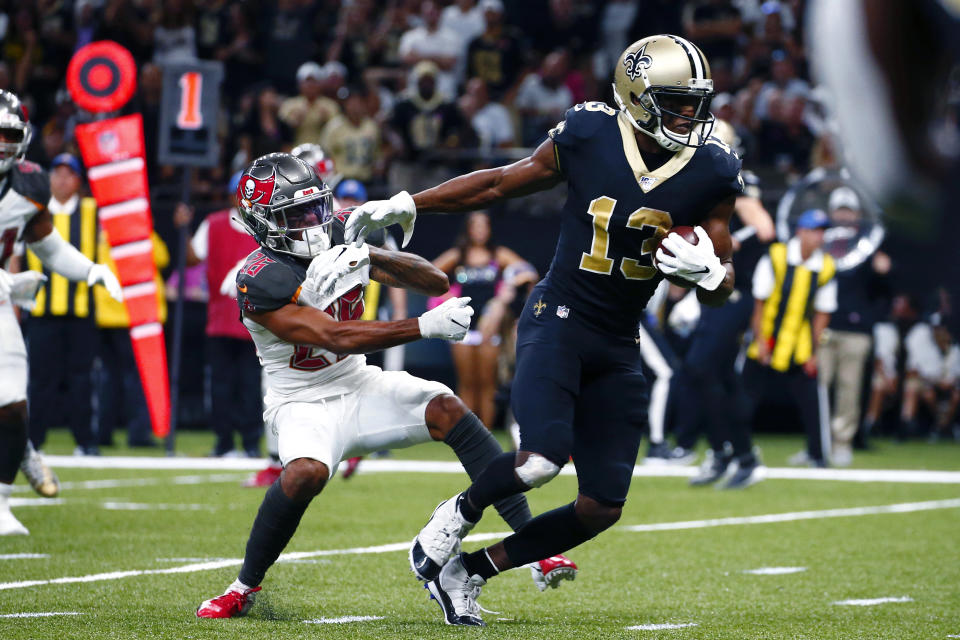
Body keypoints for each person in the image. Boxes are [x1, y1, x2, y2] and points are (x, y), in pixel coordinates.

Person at [346, 35, 740, 625]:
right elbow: (501, 182)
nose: (691, 115)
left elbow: (725, 280)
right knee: (539, 461)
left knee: (602, 505)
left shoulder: (712, 166)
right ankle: (457, 512)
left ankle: (467, 574)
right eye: (677, 101)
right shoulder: (590, 133)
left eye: (695, 101)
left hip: (619, 342)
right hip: (559, 318)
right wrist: (411, 202)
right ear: (637, 97)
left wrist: (711, 273)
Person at [195, 153, 574, 619]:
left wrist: (371, 253)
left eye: (314, 208)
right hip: (301, 397)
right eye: (295, 215)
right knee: (305, 473)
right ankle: (243, 586)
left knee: (446, 408)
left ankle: (535, 545)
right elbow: (334, 336)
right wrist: (422, 327)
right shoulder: (259, 279)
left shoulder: (336, 230)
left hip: (356, 381)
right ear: (264, 223)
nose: (312, 222)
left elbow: (435, 280)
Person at [0, 90, 121, 536]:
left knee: (13, 403)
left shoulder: (30, 184)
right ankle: (26, 450)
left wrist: (91, 271)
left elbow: (46, 245)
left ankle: (2, 502)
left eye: (6, 133)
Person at [22, 153, 100, 455]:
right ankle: (35, 442)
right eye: (57, 173)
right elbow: (16, 252)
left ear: (78, 181)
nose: (62, 179)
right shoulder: (34, 211)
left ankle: (85, 442)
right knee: (41, 380)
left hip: (81, 310)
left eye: (69, 174)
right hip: (41, 310)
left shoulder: (93, 211)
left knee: (82, 380)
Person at [746, 208, 837, 468]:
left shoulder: (826, 267)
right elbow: (759, 303)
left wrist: (814, 353)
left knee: (811, 400)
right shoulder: (776, 257)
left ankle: (817, 454)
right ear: (800, 232)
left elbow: (823, 313)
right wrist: (761, 340)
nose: (819, 237)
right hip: (768, 338)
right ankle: (733, 445)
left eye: (822, 232)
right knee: (746, 395)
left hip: (799, 343)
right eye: (814, 231)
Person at [432, 211, 534, 428]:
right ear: (467, 229)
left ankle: (485, 432)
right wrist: (447, 297)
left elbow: (528, 272)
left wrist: (510, 287)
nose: (479, 230)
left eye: (483, 226)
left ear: (489, 229)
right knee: (467, 384)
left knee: (488, 385)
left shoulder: (498, 255)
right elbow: (430, 273)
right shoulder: (458, 255)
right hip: (463, 326)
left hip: (489, 326)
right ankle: (467, 434)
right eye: (475, 226)